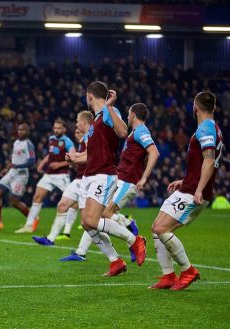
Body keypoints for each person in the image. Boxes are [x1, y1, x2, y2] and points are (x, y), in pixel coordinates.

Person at [60, 103, 159, 266]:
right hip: (121, 178)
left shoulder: (141, 131)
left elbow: (154, 152)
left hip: (127, 181)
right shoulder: (134, 133)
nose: (127, 117)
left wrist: (144, 177)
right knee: (90, 219)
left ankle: (131, 233)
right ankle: (109, 257)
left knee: (101, 215)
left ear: (133, 115)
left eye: (128, 114)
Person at [150, 91, 223, 290]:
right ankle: (168, 276)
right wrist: (184, 181)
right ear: (214, 108)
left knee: (161, 229)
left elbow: (209, 159)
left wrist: (198, 189)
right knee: (156, 227)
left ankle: (188, 270)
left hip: (195, 192)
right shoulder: (210, 128)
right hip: (189, 187)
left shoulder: (206, 128)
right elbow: (203, 162)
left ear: (195, 107)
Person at [78, 82, 147, 277]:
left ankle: (135, 240)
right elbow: (93, 152)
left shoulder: (109, 111)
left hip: (103, 174)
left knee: (92, 220)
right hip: (89, 174)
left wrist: (109, 106)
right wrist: (75, 159)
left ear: (89, 96)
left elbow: (123, 132)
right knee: (86, 223)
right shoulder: (96, 121)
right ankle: (115, 261)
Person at [32, 111, 93, 245]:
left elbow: (92, 157)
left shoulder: (91, 137)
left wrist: (74, 159)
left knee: (90, 220)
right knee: (62, 205)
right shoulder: (83, 141)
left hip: (89, 180)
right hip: (78, 179)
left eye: (77, 122)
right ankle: (50, 239)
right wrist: (74, 160)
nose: (76, 125)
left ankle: (127, 229)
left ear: (84, 123)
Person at [16, 119, 74, 233]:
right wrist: (43, 162)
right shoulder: (51, 139)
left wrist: (59, 164)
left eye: (59, 128)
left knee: (72, 200)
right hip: (49, 174)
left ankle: (68, 228)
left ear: (64, 129)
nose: (56, 130)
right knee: (37, 197)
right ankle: (29, 225)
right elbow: (50, 154)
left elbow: (74, 158)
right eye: (55, 128)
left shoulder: (68, 142)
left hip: (62, 175)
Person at [0, 123, 36, 230]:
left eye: (23, 130)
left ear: (27, 132)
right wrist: (7, 169)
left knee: (13, 201)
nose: (20, 132)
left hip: (21, 176)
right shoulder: (16, 142)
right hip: (12, 172)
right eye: (19, 130)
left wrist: (18, 166)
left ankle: (33, 219)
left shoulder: (29, 144)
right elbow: (15, 159)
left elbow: (32, 161)